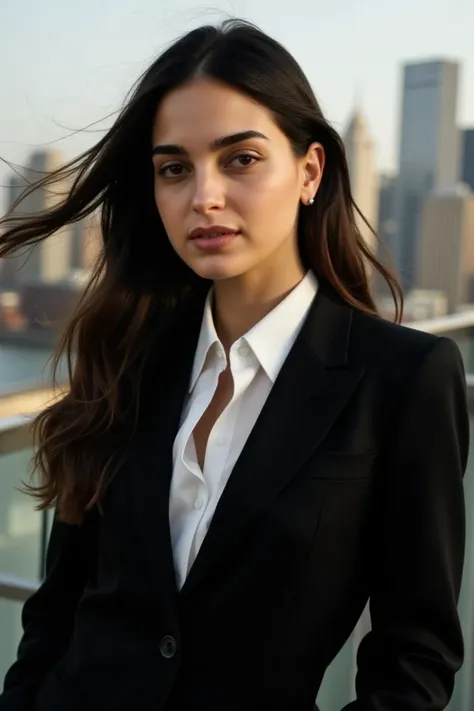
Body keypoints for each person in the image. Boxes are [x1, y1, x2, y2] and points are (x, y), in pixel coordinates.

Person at [0, 18, 469, 711]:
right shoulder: (127, 352)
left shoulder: (404, 379)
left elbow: (414, 660)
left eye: (240, 159)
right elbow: (57, 610)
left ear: (310, 171)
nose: (204, 197)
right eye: (173, 168)